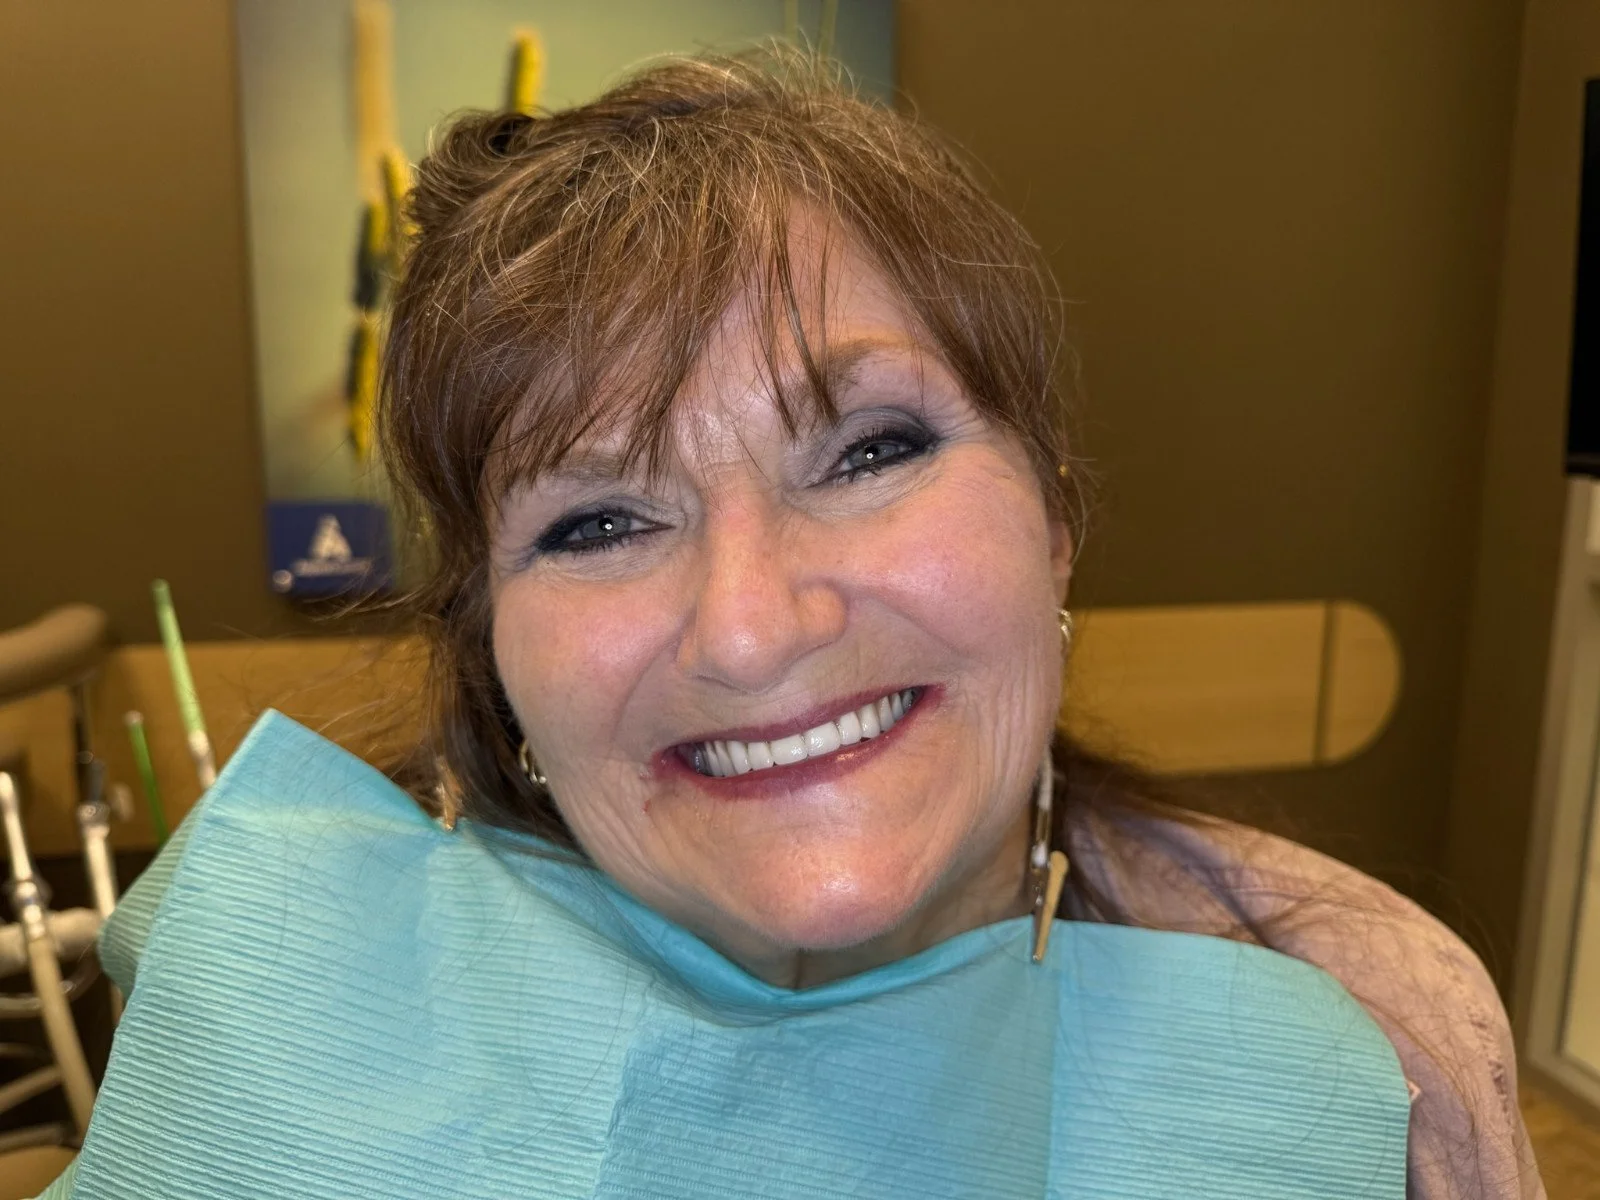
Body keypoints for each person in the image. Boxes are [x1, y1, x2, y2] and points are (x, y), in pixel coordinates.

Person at [40, 51, 1540, 1199]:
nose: (750, 628)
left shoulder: (1375, 1032)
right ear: (494, 663)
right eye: (598, 521)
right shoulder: (280, 1061)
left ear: (1057, 519)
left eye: (870, 450)